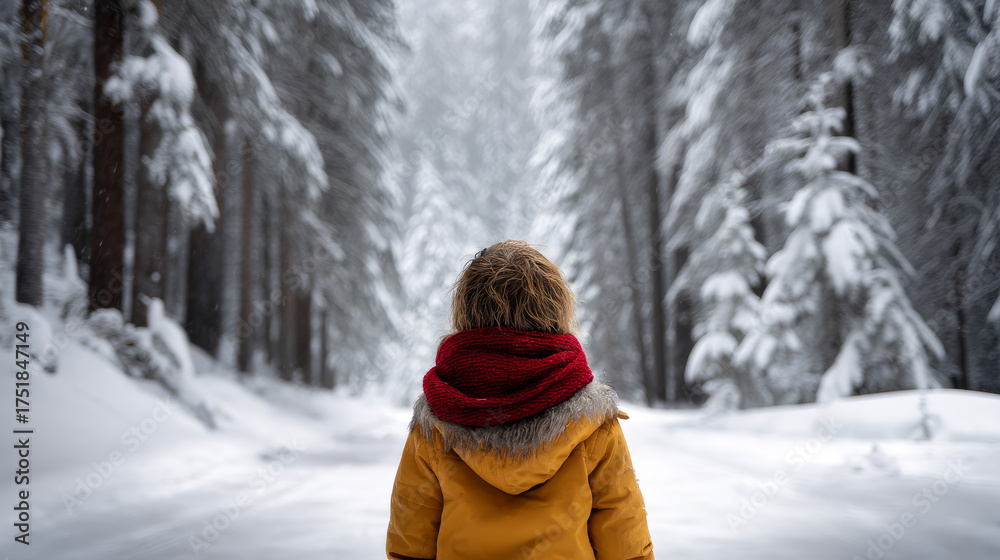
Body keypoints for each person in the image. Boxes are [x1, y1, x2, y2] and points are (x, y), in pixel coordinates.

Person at [386, 240, 655, 559]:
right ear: (557, 312)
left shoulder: (438, 417)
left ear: (466, 313)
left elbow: (409, 547)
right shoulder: (592, 420)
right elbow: (625, 544)